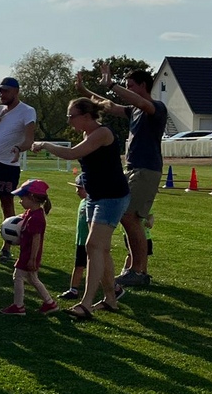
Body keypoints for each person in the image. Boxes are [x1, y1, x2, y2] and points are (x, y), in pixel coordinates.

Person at [32, 98, 130, 319]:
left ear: (86, 116)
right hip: (96, 197)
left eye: (71, 116)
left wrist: (45, 144)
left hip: (111, 198)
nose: (69, 121)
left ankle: (86, 304)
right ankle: (111, 299)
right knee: (101, 249)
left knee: (93, 246)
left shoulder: (102, 133)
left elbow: (71, 154)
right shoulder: (88, 135)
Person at [75, 64, 167, 288]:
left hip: (146, 169)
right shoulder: (134, 110)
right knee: (127, 217)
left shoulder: (156, 107)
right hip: (134, 169)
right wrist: (85, 91)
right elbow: (107, 105)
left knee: (130, 216)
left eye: (131, 86)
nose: (127, 89)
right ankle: (135, 268)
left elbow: (141, 103)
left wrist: (112, 84)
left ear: (143, 85)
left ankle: (139, 271)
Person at [0, 77, 38, 260]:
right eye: (0, 91)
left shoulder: (27, 111)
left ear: (16, 91)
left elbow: (29, 140)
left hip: (8, 165)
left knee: (7, 203)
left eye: (6, 91)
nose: (2, 94)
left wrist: (18, 148)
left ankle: (7, 246)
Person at [1, 180, 59, 315]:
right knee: (33, 279)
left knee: (18, 277)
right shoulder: (31, 212)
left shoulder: (36, 218)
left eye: (22, 198)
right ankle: (50, 303)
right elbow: (22, 219)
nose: (20, 201)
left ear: (32, 198)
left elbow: (36, 239)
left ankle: (18, 306)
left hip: (30, 254)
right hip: (27, 252)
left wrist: (32, 259)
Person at [59, 172, 93, 300]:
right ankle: (73, 289)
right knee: (79, 265)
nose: (77, 191)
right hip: (81, 241)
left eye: (79, 188)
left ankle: (113, 287)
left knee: (95, 266)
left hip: (89, 241)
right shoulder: (83, 202)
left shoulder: (92, 204)